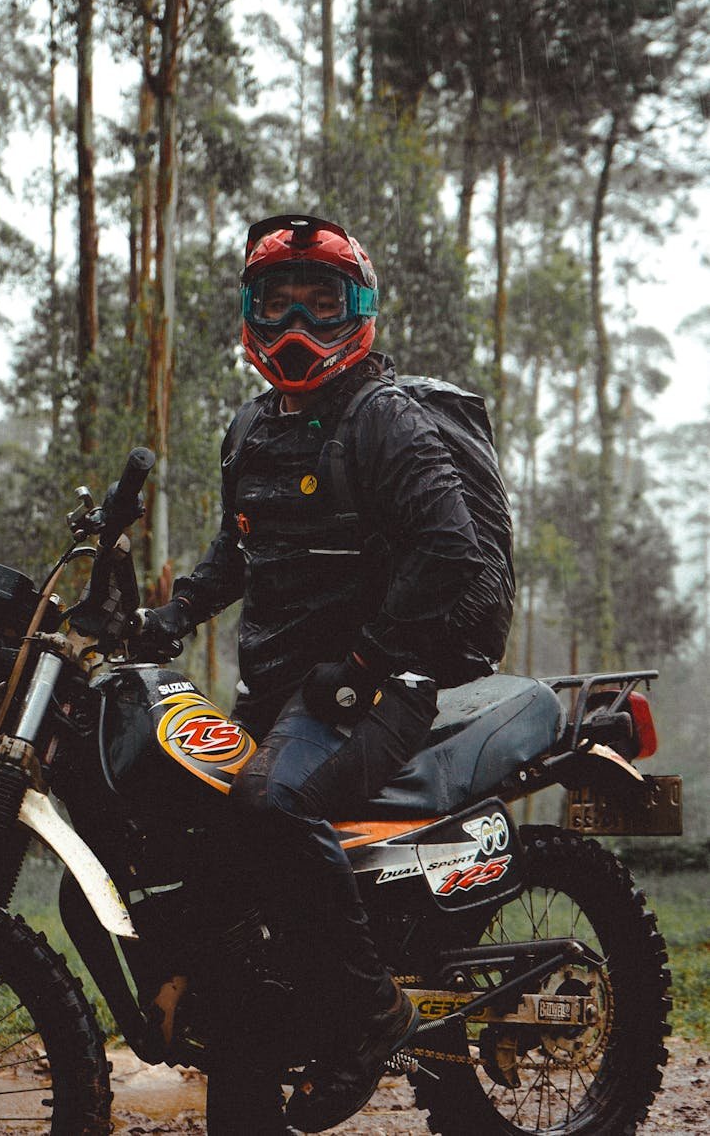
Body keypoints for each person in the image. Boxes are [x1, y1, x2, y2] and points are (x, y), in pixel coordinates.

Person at [141, 213, 504, 1133]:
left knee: (271, 809)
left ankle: (367, 1013)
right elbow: (239, 552)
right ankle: (246, 1073)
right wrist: (174, 614)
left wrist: (369, 657)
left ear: (360, 312)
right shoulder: (251, 428)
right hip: (278, 696)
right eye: (276, 303)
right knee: (203, 853)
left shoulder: (383, 420)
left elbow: (452, 552)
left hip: (375, 693)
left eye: (321, 303)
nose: (296, 326)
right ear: (248, 315)